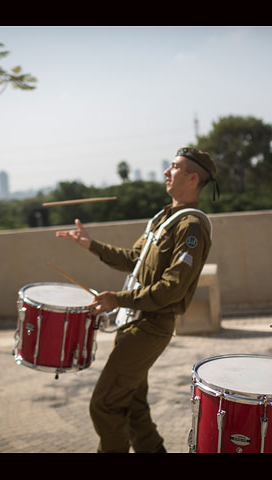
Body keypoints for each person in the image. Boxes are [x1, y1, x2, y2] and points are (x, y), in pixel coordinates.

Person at [56, 147, 217, 453]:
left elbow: (172, 288)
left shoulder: (190, 226)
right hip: (133, 322)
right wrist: (91, 245)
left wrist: (118, 299)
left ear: (193, 177)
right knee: (131, 403)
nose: (167, 172)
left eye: (174, 167)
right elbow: (135, 259)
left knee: (104, 405)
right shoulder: (165, 218)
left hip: (151, 326)